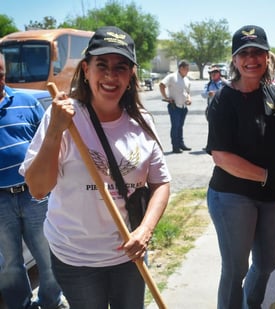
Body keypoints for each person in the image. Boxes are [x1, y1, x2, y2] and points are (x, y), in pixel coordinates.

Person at [19, 26, 171, 309]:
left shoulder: (143, 121)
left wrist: (146, 230)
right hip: (76, 258)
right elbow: (38, 189)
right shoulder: (61, 116)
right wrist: (55, 132)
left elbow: (161, 182)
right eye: (102, 65)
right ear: (86, 69)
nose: (111, 76)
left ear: (131, 75)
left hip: (130, 254)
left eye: (121, 67)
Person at [205, 25, 275, 309]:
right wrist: (268, 176)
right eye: (244, 53)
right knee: (236, 269)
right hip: (232, 195)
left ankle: (253, 305)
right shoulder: (223, 99)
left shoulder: (273, 94)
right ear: (235, 61)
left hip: (269, 194)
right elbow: (221, 157)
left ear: (267, 57)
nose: (252, 59)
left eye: (258, 52)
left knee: (267, 262)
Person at [0, 53, 67, 309]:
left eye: (1, 74)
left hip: (34, 195)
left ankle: (51, 301)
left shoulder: (27, 102)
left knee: (48, 255)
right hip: (0, 200)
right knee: (9, 264)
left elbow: (49, 144)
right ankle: (21, 305)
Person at [159, 60, 192, 153]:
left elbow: (188, 92)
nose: (188, 71)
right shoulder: (172, 77)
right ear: (181, 68)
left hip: (183, 107)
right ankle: (175, 146)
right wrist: (166, 97)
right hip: (175, 107)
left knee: (180, 126)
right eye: (186, 69)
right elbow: (162, 85)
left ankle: (181, 144)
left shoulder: (186, 79)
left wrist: (189, 99)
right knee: (175, 126)